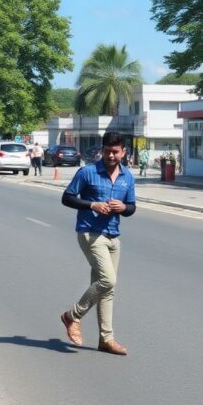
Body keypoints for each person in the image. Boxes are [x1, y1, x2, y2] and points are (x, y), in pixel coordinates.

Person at [59, 131, 137, 356]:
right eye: (107, 151)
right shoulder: (87, 172)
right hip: (90, 233)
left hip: (113, 235)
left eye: (115, 152)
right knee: (107, 280)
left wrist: (123, 208)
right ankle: (72, 316)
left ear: (123, 152)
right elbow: (67, 197)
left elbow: (131, 207)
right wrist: (92, 205)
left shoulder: (127, 177)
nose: (111, 156)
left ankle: (106, 339)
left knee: (108, 289)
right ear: (101, 150)